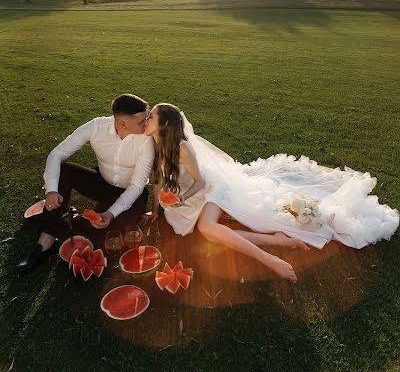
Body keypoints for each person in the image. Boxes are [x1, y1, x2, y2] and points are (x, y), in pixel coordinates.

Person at [144, 103, 399, 283]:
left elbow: (199, 182)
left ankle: (270, 259)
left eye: (152, 116)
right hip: (186, 199)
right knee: (205, 232)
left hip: (211, 188)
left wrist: (183, 198)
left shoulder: (183, 148)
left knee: (207, 229)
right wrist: (155, 209)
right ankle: (278, 240)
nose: (147, 119)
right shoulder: (154, 143)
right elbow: (156, 179)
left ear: (164, 124)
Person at [17, 93, 154, 274]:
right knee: (65, 171)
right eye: (142, 121)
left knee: (113, 234)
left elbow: (137, 186)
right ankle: (46, 240)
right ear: (122, 123)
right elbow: (57, 154)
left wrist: (111, 214)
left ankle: (72, 220)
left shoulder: (147, 140)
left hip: (132, 193)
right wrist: (51, 191)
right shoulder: (96, 126)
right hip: (102, 183)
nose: (147, 124)